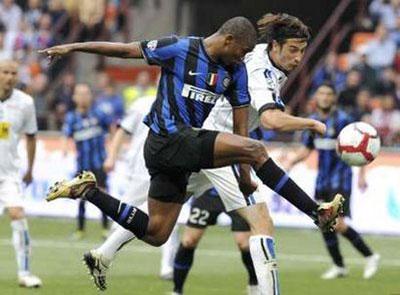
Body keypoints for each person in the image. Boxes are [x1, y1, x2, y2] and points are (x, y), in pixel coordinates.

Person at [41, 16, 343, 295]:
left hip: (204, 149)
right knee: (261, 214)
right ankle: (314, 213)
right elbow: (124, 50)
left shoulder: (239, 66)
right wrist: (72, 46)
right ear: (229, 41)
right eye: (293, 50)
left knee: (157, 232)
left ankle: (90, 197)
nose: (299, 58)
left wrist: (247, 177)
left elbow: (242, 128)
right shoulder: (189, 50)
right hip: (181, 141)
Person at [282, 83, 380, 280]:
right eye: (321, 94)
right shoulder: (313, 122)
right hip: (322, 180)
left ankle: (370, 255)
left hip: (341, 180)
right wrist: (291, 161)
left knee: (339, 223)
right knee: (324, 223)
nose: (325, 97)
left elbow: (361, 149)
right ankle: (339, 266)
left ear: (333, 98)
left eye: (328, 94)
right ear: (316, 98)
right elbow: (307, 149)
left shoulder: (343, 119)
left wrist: (361, 176)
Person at [85, 95, 180, 290]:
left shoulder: (181, 101)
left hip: (166, 169)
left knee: (170, 219)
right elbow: (123, 130)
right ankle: (104, 255)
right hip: (139, 170)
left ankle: (167, 267)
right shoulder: (142, 103)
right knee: (122, 215)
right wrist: (111, 156)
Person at [0, 59, 42, 288]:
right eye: (5, 72)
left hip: (9, 175)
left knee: (18, 215)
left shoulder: (25, 103)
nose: (9, 77)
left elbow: (31, 136)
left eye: (13, 73)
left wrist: (30, 169)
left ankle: (24, 273)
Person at [173, 189, 258, 295]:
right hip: (207, 193)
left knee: (244, 244)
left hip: (234, 192)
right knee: (188, 241)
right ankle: (177, 290)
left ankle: (254, 282)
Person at [62, 83, 111, 239]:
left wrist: (112, 151)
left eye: (86, 93)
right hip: (83, 164)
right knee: (82, 195)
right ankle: (80, 229)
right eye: (80, 94)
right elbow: (65, 135)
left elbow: (112, 128)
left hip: (99, 163)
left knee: (103, 194)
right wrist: (64, 149)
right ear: (74, 97)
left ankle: (105, 228)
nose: (83, 97)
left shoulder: (98, 113)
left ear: (90, 96)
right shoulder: (71, 117)